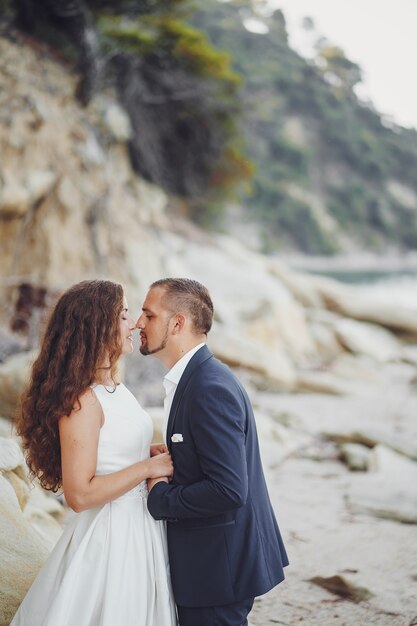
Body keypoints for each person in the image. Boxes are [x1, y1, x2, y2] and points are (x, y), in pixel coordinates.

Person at [11, 279, 178, 626]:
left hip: (139, 526)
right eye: (122, 316)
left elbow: (109, 452)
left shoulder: (114, 387)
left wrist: (144, 453)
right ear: (96, 326)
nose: (133, 324)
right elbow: (80, 493)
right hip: (110, 535)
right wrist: (148, 467)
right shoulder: (81, 400)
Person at [136, 277, 289, 626]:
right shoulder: (195, 377)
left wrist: (160, 494)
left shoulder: (208, 387)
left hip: (219, 568)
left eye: (149, 315)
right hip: (214, 562)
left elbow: (230, 488)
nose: (138, 324)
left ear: (177, 323)